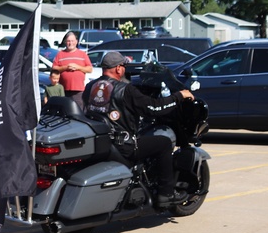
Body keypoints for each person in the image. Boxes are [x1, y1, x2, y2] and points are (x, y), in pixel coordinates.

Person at [82, 51, 193, 206]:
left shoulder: (90, 87)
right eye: (124, 66)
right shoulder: (126, 90)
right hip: (123, 146)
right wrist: (178, 96)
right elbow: (154, 108)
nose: (125, 70)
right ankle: (165, 194)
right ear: (119, 69)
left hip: (99, 142)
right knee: (164, 143)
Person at [51, 31, 93, 102]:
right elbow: (54, 69)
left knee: (79, 110)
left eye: (72, 41)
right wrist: (66, 67)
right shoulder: (60, 54)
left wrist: (78, 67)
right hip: (63, 90)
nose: (70, 43)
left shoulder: (82, 54)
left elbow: (90, 69)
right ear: (65, 42)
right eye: (68, 41)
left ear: (76, 42)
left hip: (79, 90)